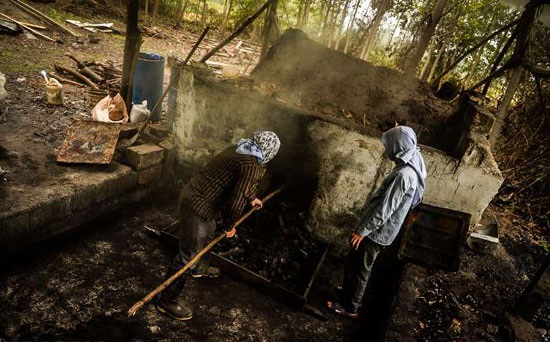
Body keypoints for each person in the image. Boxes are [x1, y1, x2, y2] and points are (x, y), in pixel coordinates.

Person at [156, 130, 281, 321]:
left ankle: (200, 269)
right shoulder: (251, 166)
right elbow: (235, 201)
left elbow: (238, 184)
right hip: (198, 206)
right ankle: (167, 301)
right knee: (187, 255)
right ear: (270, 152)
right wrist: (230, 226)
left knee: (209, 233)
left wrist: (252, 198)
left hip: (196, 197)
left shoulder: (241, 148)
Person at [327, 125, 426, 318]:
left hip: (376, 232)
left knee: (362, 268)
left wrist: (363, 231)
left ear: (398, 146)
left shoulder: (404, 174)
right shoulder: (409, 166)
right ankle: (348, 291)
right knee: (355, 261)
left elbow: (385, 209)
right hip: (376, 229)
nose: (386, 149)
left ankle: (350, 307)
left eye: (389, 145)